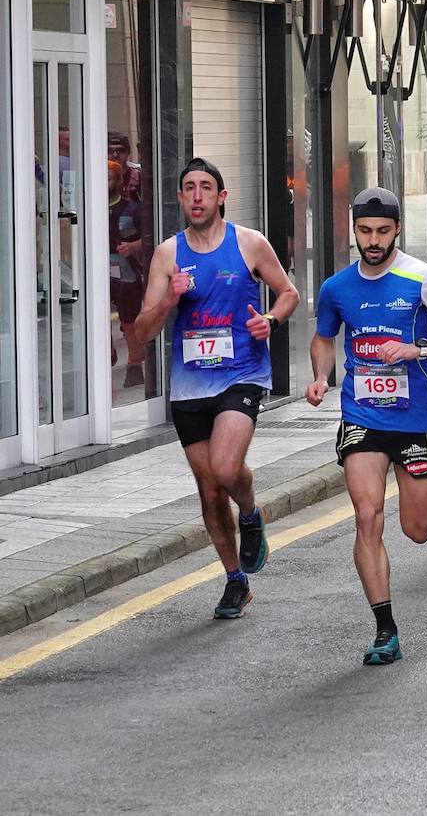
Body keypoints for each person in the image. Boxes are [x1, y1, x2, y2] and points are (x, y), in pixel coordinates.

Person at [308, 187, 427, 663]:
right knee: (367, 516)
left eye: (383, 231)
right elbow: (323, 339)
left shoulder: (422, 278)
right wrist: (321, 378)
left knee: (418, 529)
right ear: (354, 230)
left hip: (415, 420)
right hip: (361, 416)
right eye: (365, 231)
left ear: (397, 229)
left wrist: (417, 350)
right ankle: (385, 629)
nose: (374, 240)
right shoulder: (336, 287)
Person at [134, 158, 299, 621]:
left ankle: (249, 511)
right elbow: (143, 332)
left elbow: (289, 293)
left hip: (240, 374)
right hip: (190, 387)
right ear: (182, 199)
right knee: (208, 492)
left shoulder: (248, 243)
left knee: (227, 468)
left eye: (207, 187)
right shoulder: (168, 255)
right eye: (189, 188)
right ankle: (235, 581)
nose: (198, 195)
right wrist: (170, 298)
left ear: (221, 197)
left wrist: (269, 320)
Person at [108, 159, 147, 390]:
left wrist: (133, 247)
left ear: (120, 180)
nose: (105, 182)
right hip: (99, 271)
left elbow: (150, 235)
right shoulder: (89, 207)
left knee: (129, 320)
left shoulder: (132, 209)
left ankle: (134, 364)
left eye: (110, 178)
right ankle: (107, 352)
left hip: (127, 272)